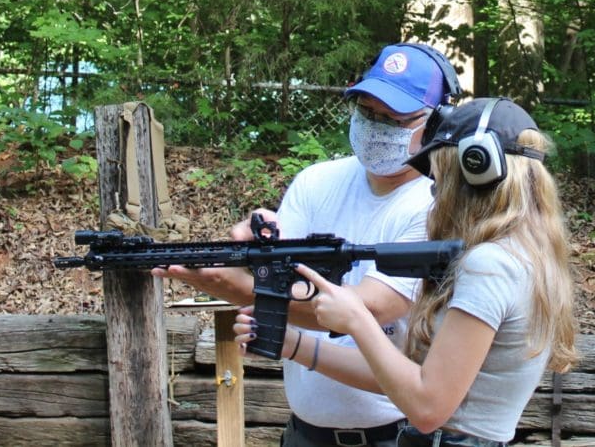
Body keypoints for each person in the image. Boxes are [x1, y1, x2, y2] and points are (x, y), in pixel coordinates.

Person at [152, 43, 462, 446]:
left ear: (436, 124)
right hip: (304, 434)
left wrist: (235, 286)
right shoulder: (317, 181)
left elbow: (363, 308)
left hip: (396, 436)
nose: (375, 126)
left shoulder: (436, 205)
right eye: (367, 112)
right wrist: (249, 246)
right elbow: (279, 271)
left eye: (392, 119)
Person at [234, 98, 578, 446]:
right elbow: (408, 379)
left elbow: (427, 408)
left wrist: (358, 320)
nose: (434, 190)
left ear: (477, 170)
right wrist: (292, 343)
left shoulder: (489, 266)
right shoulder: (521, 256)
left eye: (440, 176)